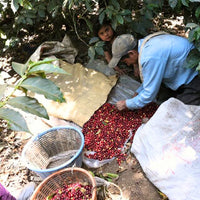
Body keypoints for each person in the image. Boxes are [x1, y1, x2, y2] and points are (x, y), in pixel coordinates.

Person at [108, 33, 200, 111]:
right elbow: (152, 76)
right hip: (180, 71)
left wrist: (126, 104)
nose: (128, 64)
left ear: (131, 53)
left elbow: (149, 94)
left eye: (125, 61)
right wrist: (139, 91)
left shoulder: (149, 57)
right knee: (164, 101)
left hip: (194, 77)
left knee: (182, 114)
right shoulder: (145, 45)